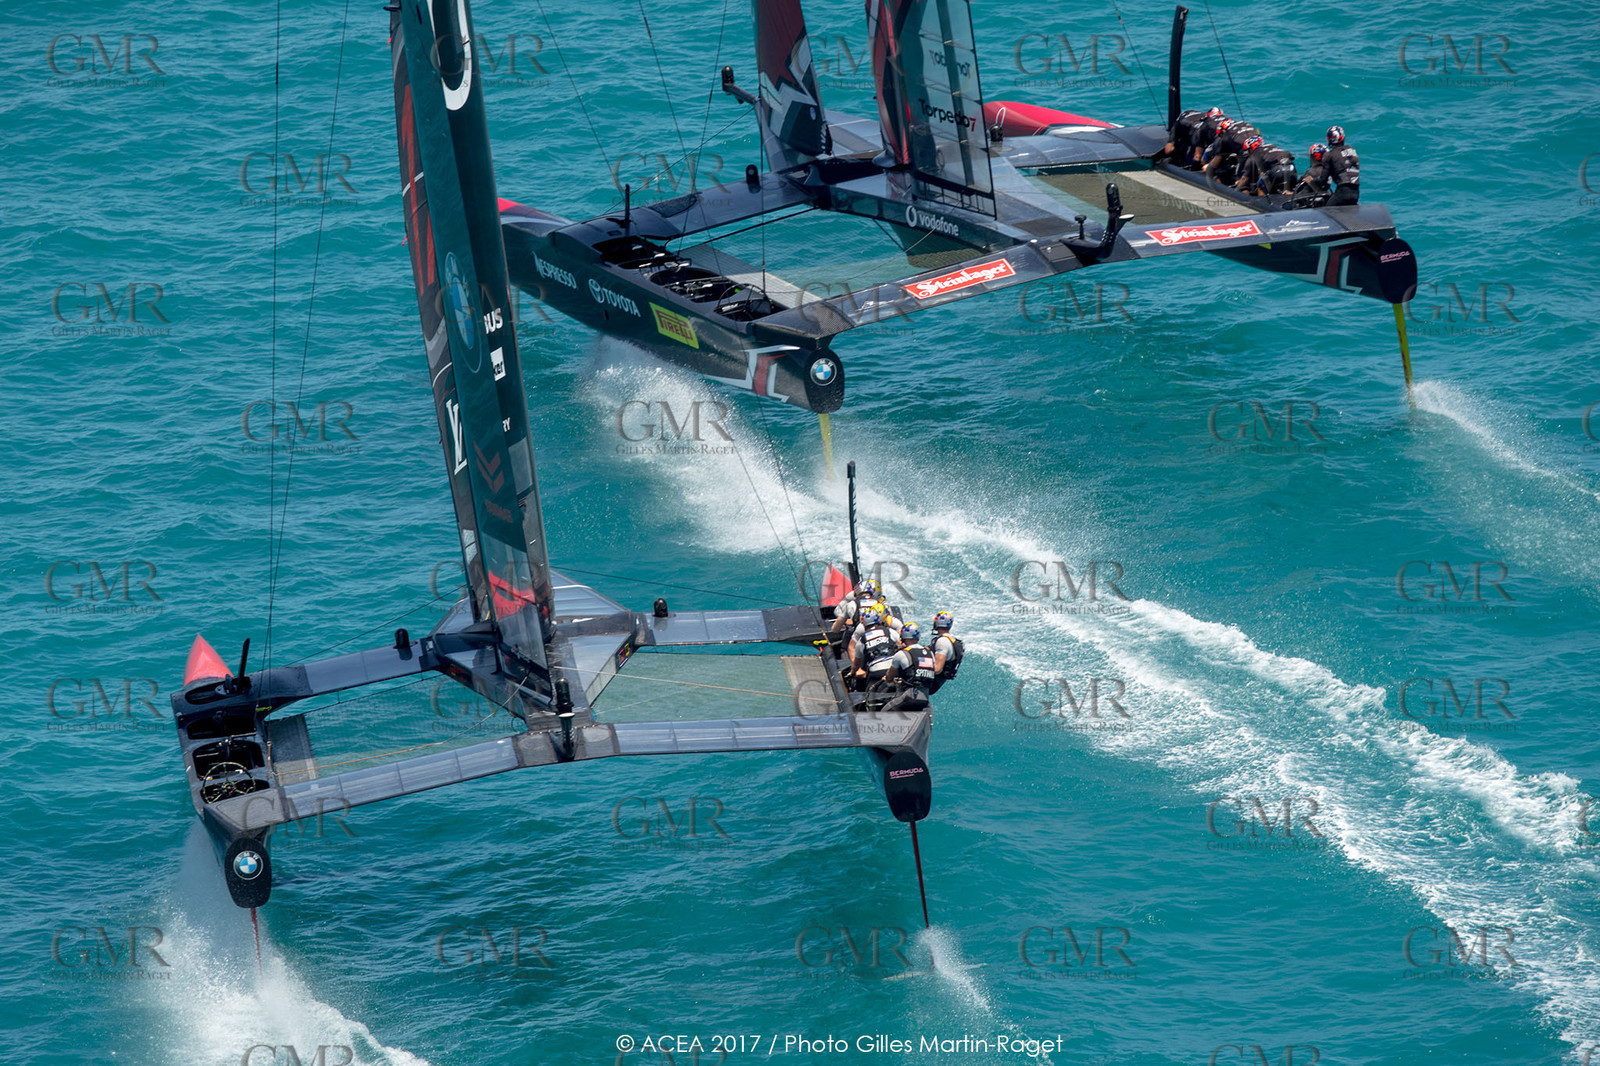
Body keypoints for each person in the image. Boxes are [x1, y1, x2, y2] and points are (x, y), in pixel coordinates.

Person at [849, 605, 902, 688]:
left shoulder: (861, 640)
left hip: (876, 673)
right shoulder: (890, 631)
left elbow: (856, 664)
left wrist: (852, 673)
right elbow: (901, 646)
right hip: (894, 670)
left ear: (864, 625)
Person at [1201, 118, 1260, 186]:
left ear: (1223, 131)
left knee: (1240, 177)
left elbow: (1215, 162)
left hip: (1245, 155)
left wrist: (1207, 169)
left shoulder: (1224, 138)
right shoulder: (1246, 124)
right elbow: (1257, 131)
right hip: (1258, 147)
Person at [887, 623, 938, 693]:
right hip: (925, 697)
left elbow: (889, 678)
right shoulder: (930, 653)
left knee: (890, 704)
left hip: (909, 695)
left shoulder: (901, 654)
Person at [926, 610, 963, 695]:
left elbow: (937, 669)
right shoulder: (950, 640)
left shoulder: (942, 641)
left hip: (931, 683)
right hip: (938, 681)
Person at [1321, 125, 1360, 205]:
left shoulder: (1329, 155)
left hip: (1342, 193)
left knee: (1326, 212)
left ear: (1329, 139)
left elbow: (1323, 180)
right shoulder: (1352, 150)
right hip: (1356, 194)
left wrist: (1311, 180)